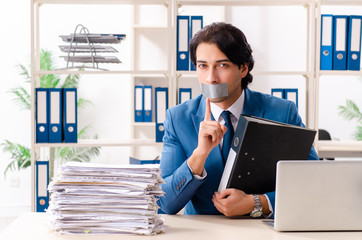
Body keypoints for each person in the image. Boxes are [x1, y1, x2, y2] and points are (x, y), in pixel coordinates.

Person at [157, 22, 318, 217]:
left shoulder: (282, 112)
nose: (211, 78)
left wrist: (256, 203)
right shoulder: (178, 118)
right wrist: (199, 155)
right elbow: (164, 203)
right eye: (203, 66)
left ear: (243, 69)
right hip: (202, 232)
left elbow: (311, 182)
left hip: (262, 230)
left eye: (222, 65)